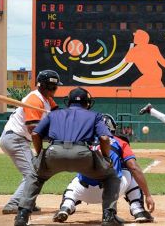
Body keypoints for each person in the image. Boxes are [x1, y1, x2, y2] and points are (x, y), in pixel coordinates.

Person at [13, 87, 122, 226]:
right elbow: (105, 138)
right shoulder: (95, 115)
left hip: (54, 153)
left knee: (35, 176)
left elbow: (35, 134)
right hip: (83, 155)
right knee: (111, 177)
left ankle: (22, 215)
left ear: (68, 101)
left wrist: (40, 155)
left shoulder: (53, 114)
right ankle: (108, 216)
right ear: (87, 103)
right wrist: (106, 158)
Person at [53, 114, 154, 223]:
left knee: (77, 178)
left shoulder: (84, 141)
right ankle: (138, 210)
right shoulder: (120, 142)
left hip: (84, 192)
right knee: (129, 170)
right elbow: (134, 168)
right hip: (111, 192)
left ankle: (66, 206)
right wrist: (148, 195)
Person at [0, 70, 62, 214]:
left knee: (37, 172)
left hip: (19, 139)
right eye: (53, 87)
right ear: (44, 86)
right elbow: (34, 128)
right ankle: (14, 203)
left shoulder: (47, 99)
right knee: (32, 174)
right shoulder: (34, 99)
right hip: (15, 138)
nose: (55, 90)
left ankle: (27, 201)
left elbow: (58, 113)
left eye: (55, 87)